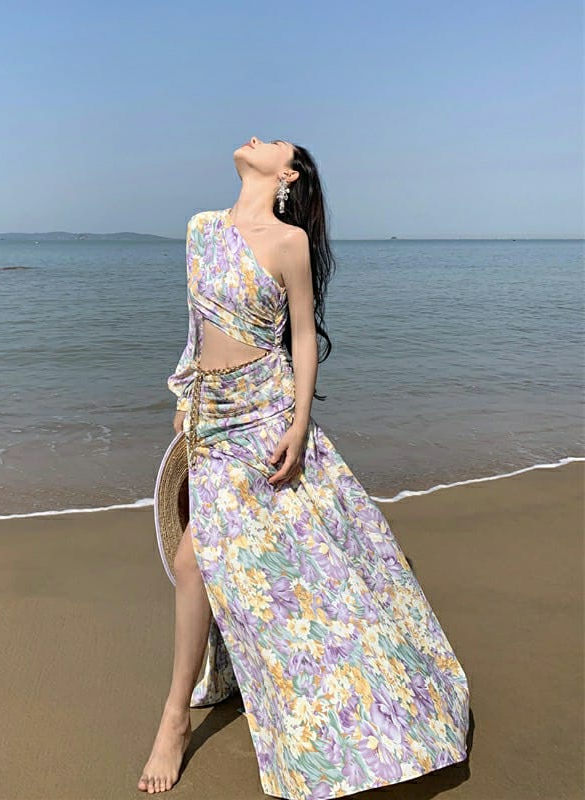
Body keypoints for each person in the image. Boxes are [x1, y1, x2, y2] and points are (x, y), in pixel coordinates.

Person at [138, 137, 470, 799]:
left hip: (265, 414)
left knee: (223, 562)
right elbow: (196, 324)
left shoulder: (290, 242)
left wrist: (297, 423)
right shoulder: (201, 229)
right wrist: (185, 394)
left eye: (272, 142)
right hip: (213, 417)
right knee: (202, 562)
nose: (255, 140)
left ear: (287, 174)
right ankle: (198, 696)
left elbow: (302, 334)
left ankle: (174, 720)